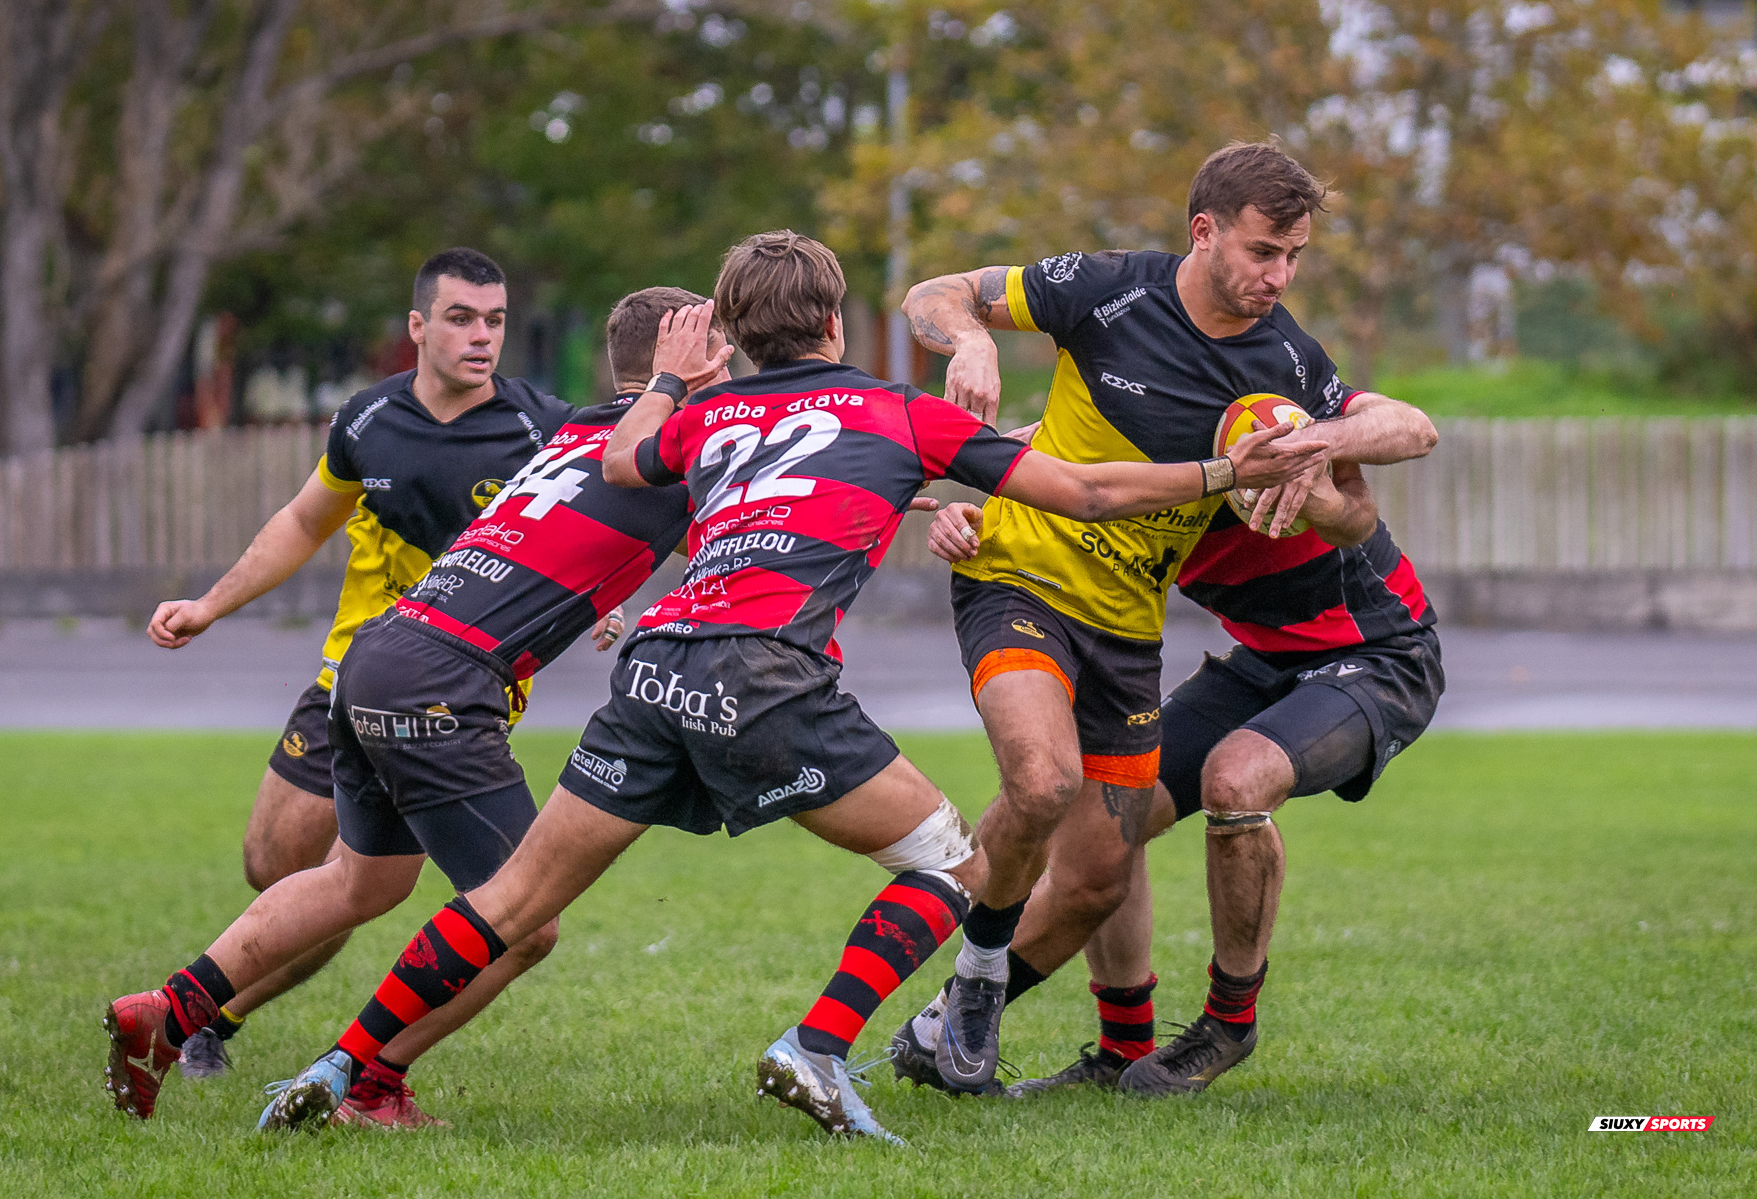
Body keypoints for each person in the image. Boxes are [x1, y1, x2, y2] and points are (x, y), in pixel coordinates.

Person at [250, 230, 1325, 1145]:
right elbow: (1087, 490)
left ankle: (344, 1067)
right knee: (954, 860)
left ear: (730, 331)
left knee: (514, 896)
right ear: (836, 325)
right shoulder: (898, 411)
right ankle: (815, 1044)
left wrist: (671, 379)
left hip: (655, 667)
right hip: (765, 672)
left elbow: (626, 462)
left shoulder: (705, 419)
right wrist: (1230, 472)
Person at [891, 139, 1441, 1094]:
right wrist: (974, 406)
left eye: (1295, 256)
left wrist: (1314, 446)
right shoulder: (1109, 298)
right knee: (1101, 838)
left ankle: (1228, 1025)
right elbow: (1023, 425)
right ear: (1204, 231)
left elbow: (1399, 447)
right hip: (1255, 656)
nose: (1280, 275)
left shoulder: (1282, 373)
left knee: (1235, 778)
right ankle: (1101, 1046)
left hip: (1374, 652)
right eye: (1266, 251)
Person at [103, 286, 710, 1124]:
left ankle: (170, 1010)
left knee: (364, 878)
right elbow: (744, 515)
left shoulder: (571, 430)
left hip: (375, 654)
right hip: (444, 683)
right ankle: (369, 1081)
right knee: (526, 922)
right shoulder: (678, 442)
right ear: (698, 359)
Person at [139, 249, 580, 1084]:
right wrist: (210, 604)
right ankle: (223, 1016)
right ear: (418, 326)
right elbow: (304, 522)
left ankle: (266, 1037)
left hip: (456, 704)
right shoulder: (366, 418)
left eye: (494, 320)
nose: (481, 336)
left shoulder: (540, 429)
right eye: (460, 318)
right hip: (347, 679)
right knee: (276, 868)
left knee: (419, 895)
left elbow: (604, 516)